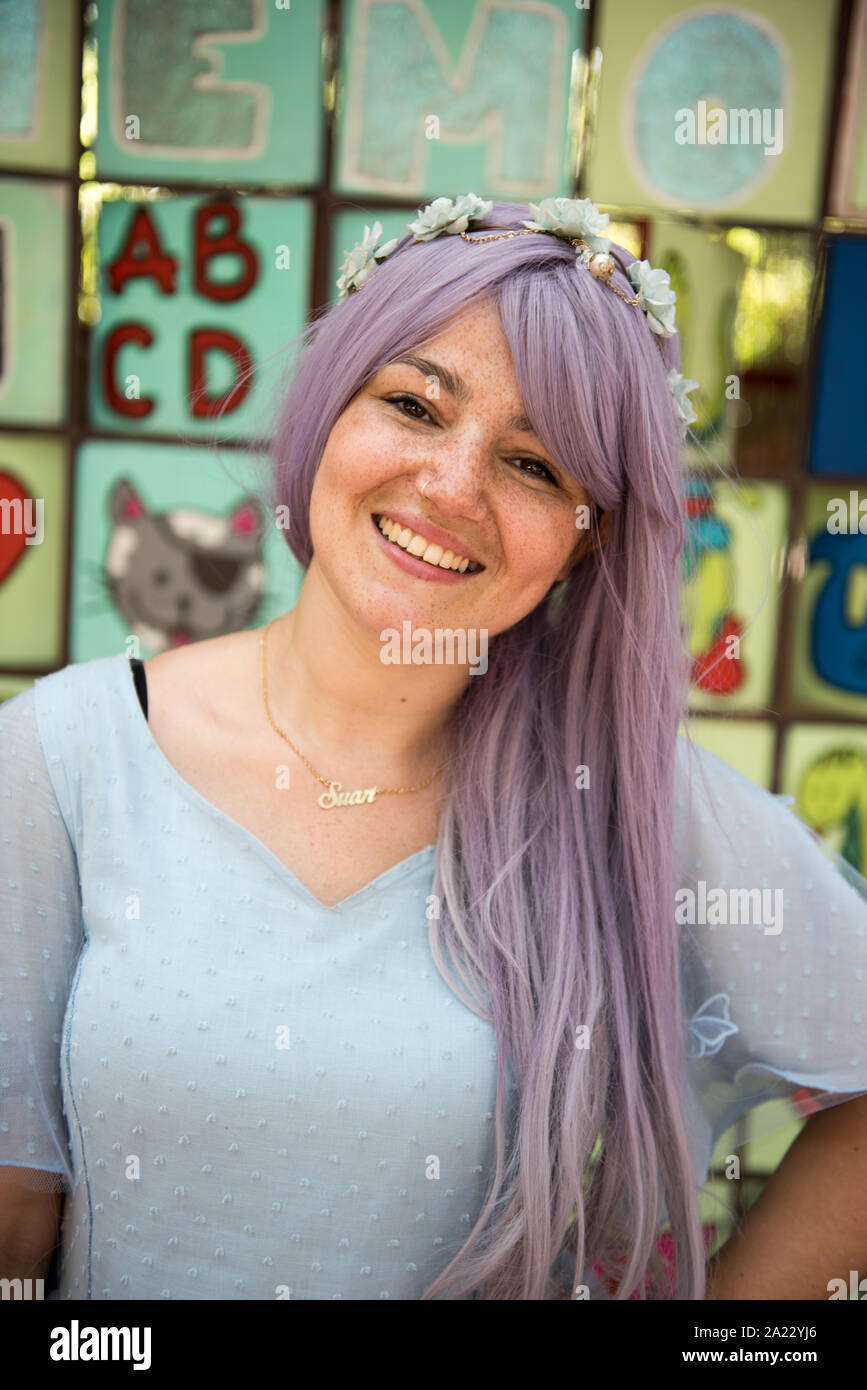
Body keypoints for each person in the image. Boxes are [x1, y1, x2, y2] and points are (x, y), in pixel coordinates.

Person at [2, 193, 867, 1302]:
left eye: (537, 466)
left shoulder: (616, 797)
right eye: (414, 404)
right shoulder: (62, 757)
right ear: (329, 410)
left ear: (580, 547)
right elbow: (14, 1221)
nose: (453, 487)